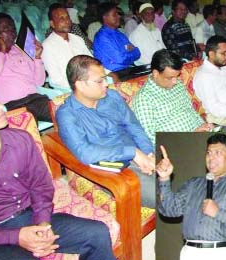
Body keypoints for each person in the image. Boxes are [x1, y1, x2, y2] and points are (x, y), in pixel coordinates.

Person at [0, 76, 115, 260]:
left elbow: (41, 186)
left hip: (29, 216)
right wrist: (16, 236)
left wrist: (43, 223)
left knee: (97, 233)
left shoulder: (21, 140)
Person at [56, 55, 155, 208]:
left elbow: (134, 126)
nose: (106, 85)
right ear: (81, 85)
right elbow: (86, 153)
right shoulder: (67, 114)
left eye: (105, 79)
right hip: (115, 168)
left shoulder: (112, 97)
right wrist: (133, 152)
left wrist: (149, 153)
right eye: (99, 81)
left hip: (139, 154)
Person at [156, 133, 226, 260]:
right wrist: (164, 178)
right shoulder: (193, 184)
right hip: (190, 253)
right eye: (209, 153)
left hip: (223, 253)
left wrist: (218, 213)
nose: (211, 158)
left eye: (218, 153)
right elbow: (169, 210)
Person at [0, 13, 51, 122]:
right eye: (6, 28)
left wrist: (37, 58)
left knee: (64, 114)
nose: (12, 32)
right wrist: (2, 52)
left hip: (35, 99)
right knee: (29, 127)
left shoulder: (20, 50)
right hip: (11, 106)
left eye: (13, 28)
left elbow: (39, 81)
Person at [132, 49, 216, 145]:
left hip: (199, 136)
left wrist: (204, 125)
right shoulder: (144, 99)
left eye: (177, 76)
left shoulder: (178, 85)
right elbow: (150, 139)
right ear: (155, 74)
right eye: (170, 78)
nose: (175, 81)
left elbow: (190, 110)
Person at [42, 3, 93, 90]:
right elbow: (56, 80)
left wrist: (106, 73)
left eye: (67, 17)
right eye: (61, 18)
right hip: (69, 89)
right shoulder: (47, 46)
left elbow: (91, 62)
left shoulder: (77, 39)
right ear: (52, 24)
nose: (67, 21)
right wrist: (80, 86)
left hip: (89, 82)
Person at [93, 2, 141, 72]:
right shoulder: (101, 37)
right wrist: (132, 52)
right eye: (115, 14)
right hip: (114, 75)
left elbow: (138, 53)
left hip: (128, 70)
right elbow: (120, 59)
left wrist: (132, 52)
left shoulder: (120, 34)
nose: (119, 16)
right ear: (105, 17)